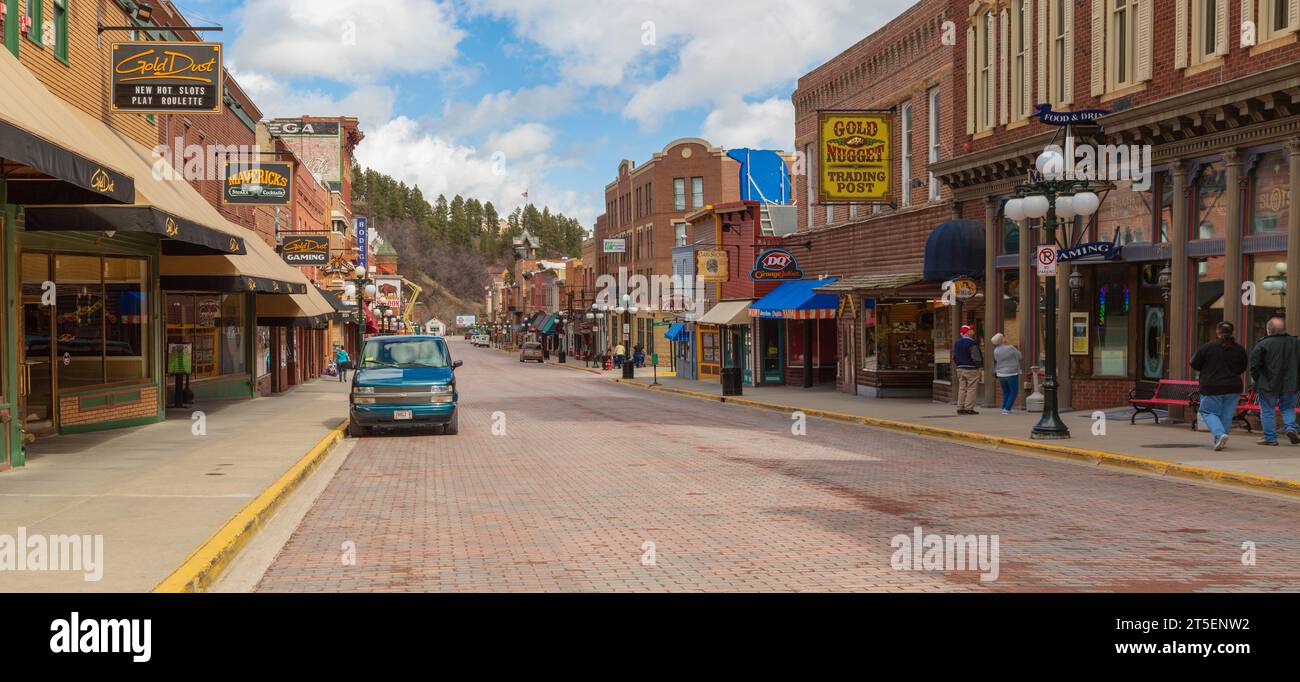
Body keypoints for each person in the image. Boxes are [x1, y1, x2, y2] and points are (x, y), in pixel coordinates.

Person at [1190, 321, 1249, 451]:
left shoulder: (1208, 347)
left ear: (1218, 332)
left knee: (1207, 411)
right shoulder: (1239, 349)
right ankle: (1219, 440)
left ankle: (1219, 434)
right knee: (1226, 415)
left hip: (1212, 386)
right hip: (1233, 387)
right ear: (1232, 332)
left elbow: (1194, 364)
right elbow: (1243, 367)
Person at [1249, 317, 1300, 446]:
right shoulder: (1296, 343)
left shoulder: (1262, 344)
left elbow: (1254, 365)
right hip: (1290, 383)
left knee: (1267, 409)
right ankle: (1290, 427)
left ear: (1269, 330)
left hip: (1267, 383)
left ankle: (1270, 438)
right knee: (1288, 408)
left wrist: (1258, 379)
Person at [991, 333, 1022, 415]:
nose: (1005, 338)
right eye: (1004, 337)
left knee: (1006, 392)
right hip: (1011, 373)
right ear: (1002, 340)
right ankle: (1007, 409)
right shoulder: (1010, 348)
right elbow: (1020, 356)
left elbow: (996, 360)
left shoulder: (996, 350)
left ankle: (1004, 407)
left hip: (1000, 373)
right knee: (1014, 392)